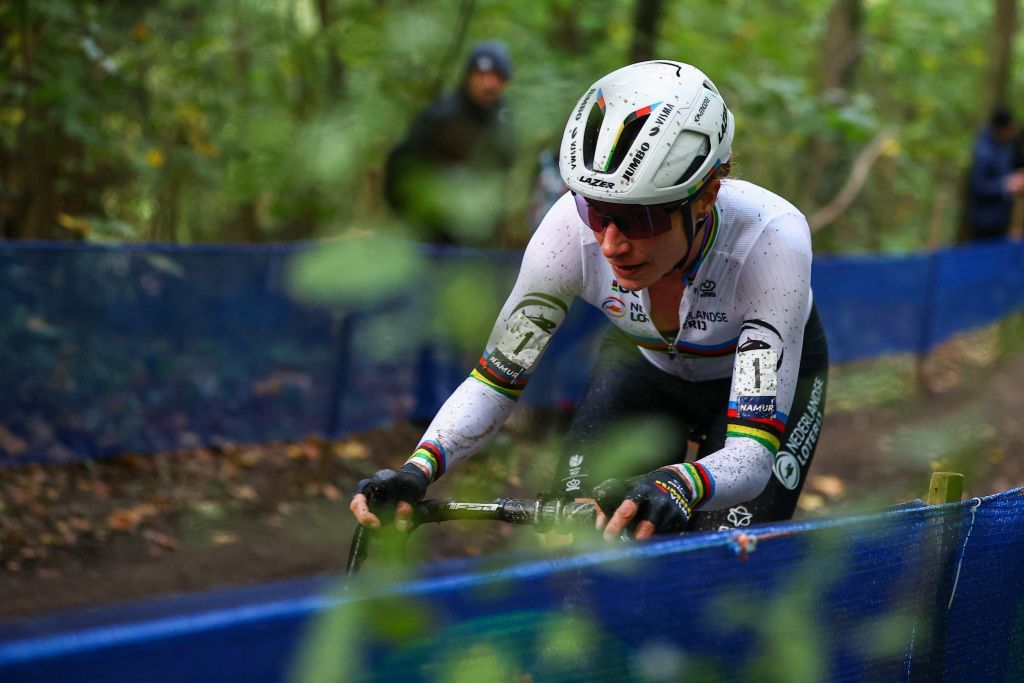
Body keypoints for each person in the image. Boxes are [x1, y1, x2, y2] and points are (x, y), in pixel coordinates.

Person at [353, 60, 829, 540]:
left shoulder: (771, 239)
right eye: (596, 211)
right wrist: (418, 469)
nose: (610, 244)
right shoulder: (565, 232)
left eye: (640, 219)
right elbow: (496, 381)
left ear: (705, 197)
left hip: (749, 382)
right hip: (644, 365)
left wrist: (681, 482)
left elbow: (750, 457)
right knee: (576, 539)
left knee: (727, 556)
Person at [383, 40, 516, 246]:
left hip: (482, 233)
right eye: (481, 75)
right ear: (467, 77)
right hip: (437, 235)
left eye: (496, 76)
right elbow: (401, 165)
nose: (488, 84)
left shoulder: (503, 116)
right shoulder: (442, 116)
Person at [964, 108, 1024, 241]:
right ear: (1002, 128)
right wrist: (1006, 185)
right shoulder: (984, 153)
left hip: (1002, 219)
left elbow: (1011, 166)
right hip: (984, 222)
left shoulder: (1005, 146)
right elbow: (978, 185)